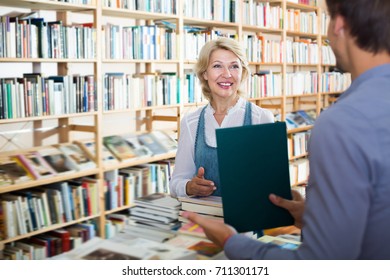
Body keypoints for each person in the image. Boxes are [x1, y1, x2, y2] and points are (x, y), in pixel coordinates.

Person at [184, 0, 390, 259]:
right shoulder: (192, 121)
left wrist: (230, 241)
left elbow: (321, 265)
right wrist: (314, 216)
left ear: (339, 25)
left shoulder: (343, 122)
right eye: (217, 66)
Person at [169, 37, 274, 198]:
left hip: (246, 221)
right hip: (203, 219)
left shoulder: (261, 118)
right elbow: (176, 182)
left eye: (234, 66)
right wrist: (189, 186)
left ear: (243, 73)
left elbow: (273, 185)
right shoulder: (191, 122)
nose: (227, 74)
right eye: (217, 66)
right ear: (205, 73)